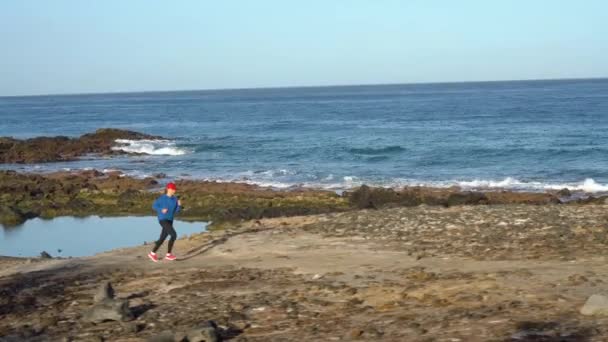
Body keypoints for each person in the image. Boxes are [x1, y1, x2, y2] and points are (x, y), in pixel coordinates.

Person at [148, 182, 182, 262]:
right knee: (173, 235)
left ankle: (152, 253)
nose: (174, 191)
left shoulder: (175, 199)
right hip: (163, 219)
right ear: (168, 189)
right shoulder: (162, 198)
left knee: (162, 238)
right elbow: (154, 206)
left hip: (170, 220)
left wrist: (179, 206)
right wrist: (161, 210)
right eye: (172, 189)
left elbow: (176, 211)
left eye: (174, 189)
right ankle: (168, 254)